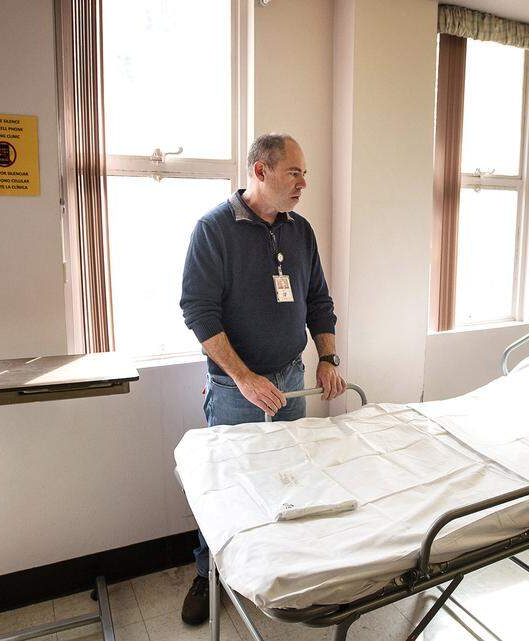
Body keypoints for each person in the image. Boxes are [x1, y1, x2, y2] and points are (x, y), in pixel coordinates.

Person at [178, 133, 345, 625]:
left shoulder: (300, 231)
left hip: (291, 380)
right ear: (260, 172)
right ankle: (206, 575)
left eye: (304, 172)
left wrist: (329, 357)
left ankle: (286, 572)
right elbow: (199, 313)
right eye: (293, 172)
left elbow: (318, 298)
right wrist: (246, 378)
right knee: (224, 489)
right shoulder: (213, 230)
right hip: (235, 391)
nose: (303, 182)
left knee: (288, 477)